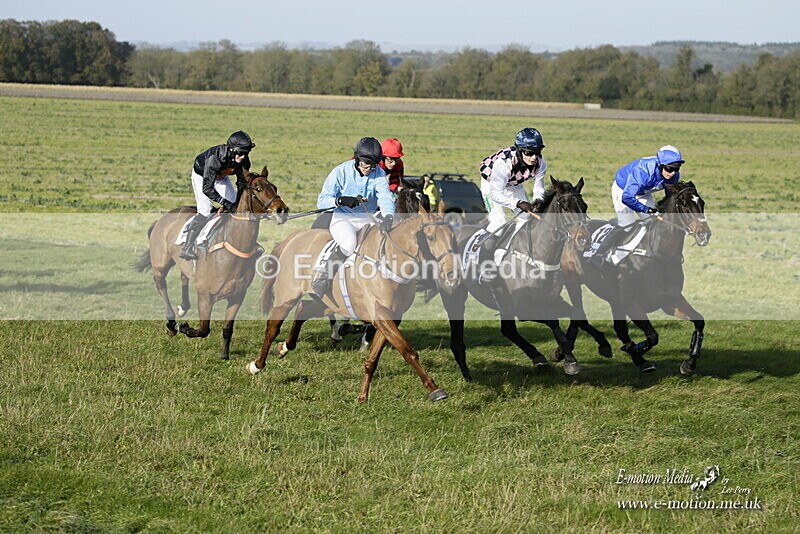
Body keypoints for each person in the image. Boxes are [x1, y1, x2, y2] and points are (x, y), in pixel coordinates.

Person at [312, 137, 395, 297]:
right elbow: (321, 201)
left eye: (372, 166)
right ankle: (323, 277)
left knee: (385, 242)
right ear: (357, 159)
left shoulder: (379, 173)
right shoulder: (340, 171)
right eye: (365, 165)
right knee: (349, 244)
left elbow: (385, 197)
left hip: (368, 219)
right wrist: (340, 200)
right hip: (343, 219)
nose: (368, 169)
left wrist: (388, 216)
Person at [590, 145, 685, 267]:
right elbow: (627, 197)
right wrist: (647, 209)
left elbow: (669, 198)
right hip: (623, 190)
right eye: (669, 169)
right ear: (660, 165)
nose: (672, 173)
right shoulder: (643, 172)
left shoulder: (673, 175)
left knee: (653, 223)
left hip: (643, 192)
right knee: (627, 225)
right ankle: (599, 254)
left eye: (676, 169)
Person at [179, 131, 255, 260]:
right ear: (231, 149)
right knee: (205, 210)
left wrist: (235, 203)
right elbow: (207, 188)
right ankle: (187, 247)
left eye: (246, 153)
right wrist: (224, 203)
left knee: (236, 207)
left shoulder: (244, 161)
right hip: (202, 176)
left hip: (221, 177)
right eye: (240, 153)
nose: (243, 156)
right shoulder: (215, 159)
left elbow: (241, 183)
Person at [479, 127, 548, 244]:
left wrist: (538, 200)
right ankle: (482, 255)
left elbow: (539, 187)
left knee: (526, 220)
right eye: (529, 153)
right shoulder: (503, 163)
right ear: (519, 150)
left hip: (513, 184)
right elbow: (496, 194)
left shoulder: (541, 164)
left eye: (537, 152)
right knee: (499, 222)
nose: (534, 157)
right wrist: (518, 203)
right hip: (492, 185)